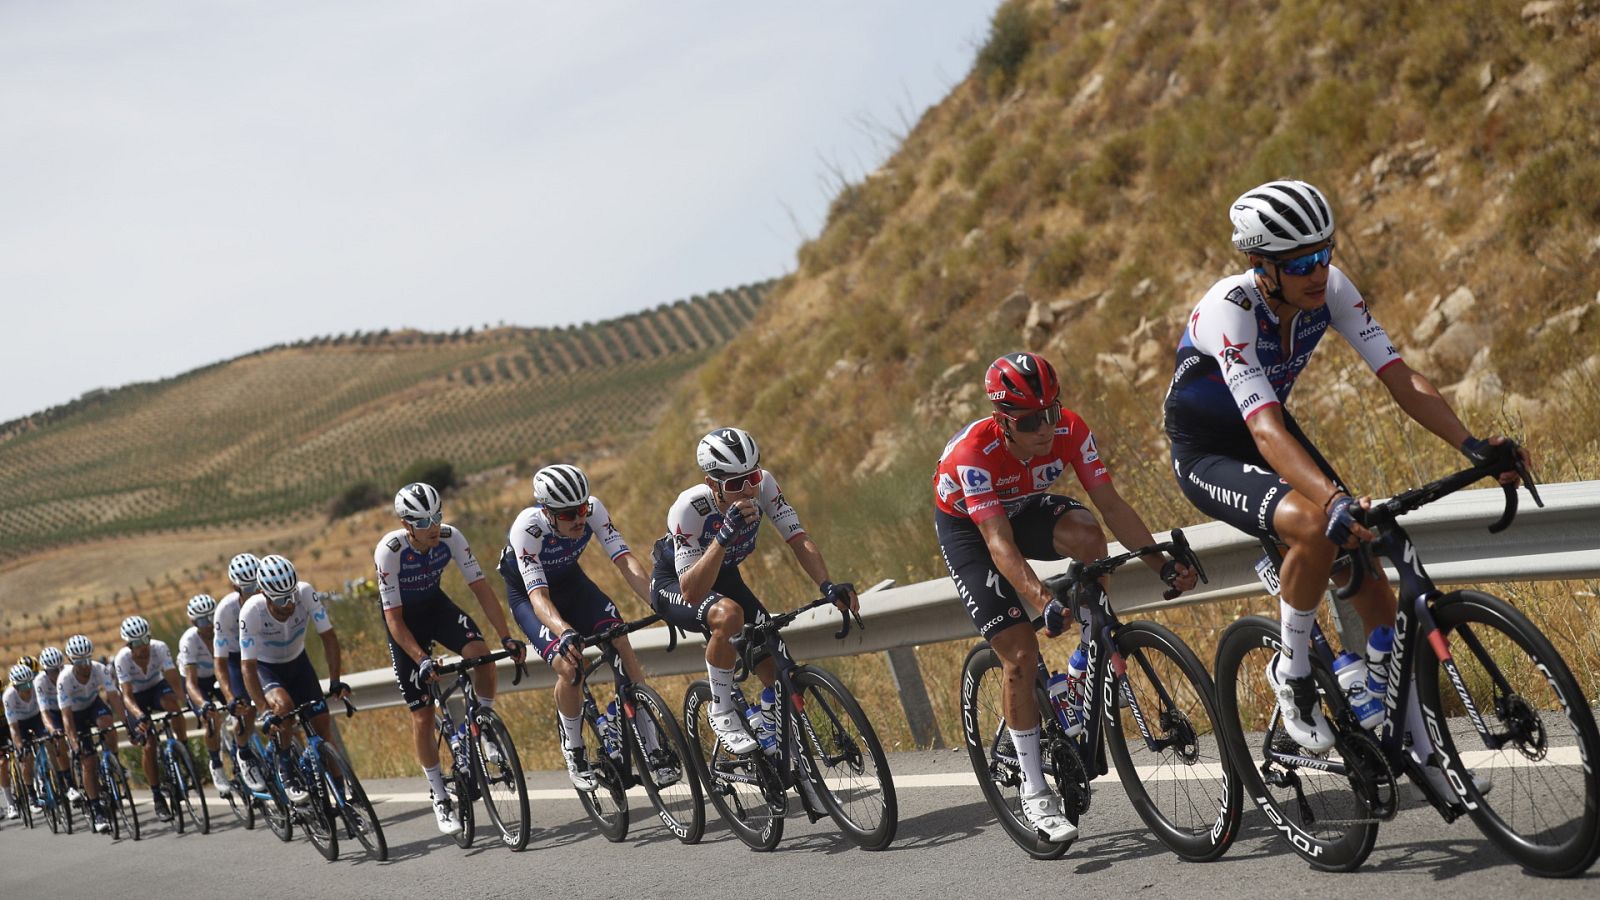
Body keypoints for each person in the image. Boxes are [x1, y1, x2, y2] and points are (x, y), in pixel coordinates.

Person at [1163, 180, 1521, 793]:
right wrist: (1328, 500)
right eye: (1300, 262)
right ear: (1261, 266)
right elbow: (1266, 428)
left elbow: (1398, 376)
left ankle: (1423, 757)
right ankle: (1294, 674)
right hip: (1211, 451)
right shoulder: (1231, 309)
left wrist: (1473, 445)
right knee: (1313, 522)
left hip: (1269, 429)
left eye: (1325, 252)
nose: (1318, 271)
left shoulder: (1330, 288)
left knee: (1373, 582)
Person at [934, 351, 1198, 843]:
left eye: (1052, 412)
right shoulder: (973, 454)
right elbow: (998, 545)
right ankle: (1035, 793)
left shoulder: (1071, 431)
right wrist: (1041, 601)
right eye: (1032, 420)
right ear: (1003, 422)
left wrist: (1161, 563)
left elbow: (1112, 506)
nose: (1046, 428)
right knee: (1019, 652)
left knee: (1087, 535)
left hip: (1024, 506)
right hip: (971, 528)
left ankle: (1086, 660)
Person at [648, 427, 858, 756]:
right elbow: (691, 590)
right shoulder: (690, 509)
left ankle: (775, 739)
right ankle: (722, 709)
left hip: (724, 575)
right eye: (734, 484)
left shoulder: (763, 486)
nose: (747, 489)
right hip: (677, 582)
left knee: (776, 663)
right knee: (729, 614)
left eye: (752, 476)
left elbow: (798, 538)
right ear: (711, 484)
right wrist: (722, 537)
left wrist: (827, 585)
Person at [497, 463, 675, 790]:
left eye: (581, 509)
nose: (578, 519)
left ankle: (652, 746)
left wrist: (658, 600)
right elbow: (538, 597)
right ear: (546, 512)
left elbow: (625, 560)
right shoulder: (528, 528)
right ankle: (574, 747)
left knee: (619, 639)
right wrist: (564, 631)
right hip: (530, 596)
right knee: (570, 666)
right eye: (567, 515)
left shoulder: (592, 510)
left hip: (572, 584)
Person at [375, 482, 523, 835]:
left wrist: (506, 635)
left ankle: (484, 725)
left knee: (482, 656)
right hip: (404, 623)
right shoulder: (390, 551)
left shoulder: (451, 538)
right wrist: (421, 658)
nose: (434, 526)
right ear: (406, 524)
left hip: (436, 607)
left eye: (437, 516)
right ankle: (439, 794)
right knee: (423, 715)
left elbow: (482, 589)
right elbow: (393, 619)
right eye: (424, 521)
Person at [238, 554, 350, 805]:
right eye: (280, 598)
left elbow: (329, 638)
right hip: (267, 669)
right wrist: (264, 711)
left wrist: (334, 681)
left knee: (324, 732)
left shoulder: (305, 593)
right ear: (264, 593)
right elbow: (247, 667)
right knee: (283, 709)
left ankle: (343, 799)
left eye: (291, 594)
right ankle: (286, 769)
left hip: (299, 664)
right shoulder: (251, 611)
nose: (289, 603)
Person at [114, 615, 186, 821]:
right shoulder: (122, 659)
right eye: (137, 643)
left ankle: (182, 747)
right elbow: (126, 696)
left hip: (156, 687)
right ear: (128, 644)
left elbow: (173, 678)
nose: (143, 646)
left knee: (173, 705)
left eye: (145, 640)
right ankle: (157, 796)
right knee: (149, 744)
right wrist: (139, 716)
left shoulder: (159, 648)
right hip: (135, 697)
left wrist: (185, 702)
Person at [58, 634, 126, 833]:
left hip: (93, 705)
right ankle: (96, 809)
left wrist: (128, 723)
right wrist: (74, 744)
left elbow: (114, 697)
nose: (85, 664)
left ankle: (114, 761)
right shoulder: (65, 679)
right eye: (79, 661)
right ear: (72, 661)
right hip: (75, 715)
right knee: (88, 761)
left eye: (87, 658)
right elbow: (67, 717)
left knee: (108, 723)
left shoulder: (100, 669)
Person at [213, 552, 267, 791]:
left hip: (264, 651)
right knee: (246, 708)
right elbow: (220, 661)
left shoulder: (269, 596)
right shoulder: (225, 611)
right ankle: (243, 753)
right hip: (236, 659)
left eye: (257, 584)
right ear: (235, 586)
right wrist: (230, 697)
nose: (255, 591)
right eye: (248, 587)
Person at [177, 594, 231, 795]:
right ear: (193, 622)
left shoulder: (223, 629)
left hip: (219, 675)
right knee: (211, 719)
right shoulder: (189, 641)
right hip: (197, 682)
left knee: (242, 707)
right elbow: (190, 683)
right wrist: (204, 705)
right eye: (202, 620)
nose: (208, 624)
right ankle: (216, 765)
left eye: (211, 617)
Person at [3, 662, 50, 820]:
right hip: (19, 724)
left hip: (37, 717)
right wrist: (20, 746)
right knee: (25, 757)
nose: (27, 689)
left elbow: (45, 711)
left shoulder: (37, 687)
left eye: (29, 683)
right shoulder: (8, 696)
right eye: (23, 686)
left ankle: (53, 780)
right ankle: (31, 794)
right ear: (15, 687)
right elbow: (14, 728)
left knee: (50, 741)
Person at [32, 647, 73, 799]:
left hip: (71, 708)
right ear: (45, 671)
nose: (56, 674)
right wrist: (53, 730)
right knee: (58, 741)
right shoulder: (39, 681)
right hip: (53, 713)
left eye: (59, 669)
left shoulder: (69, 672)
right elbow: (44, 711)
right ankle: (69, 782)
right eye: (52, 671)